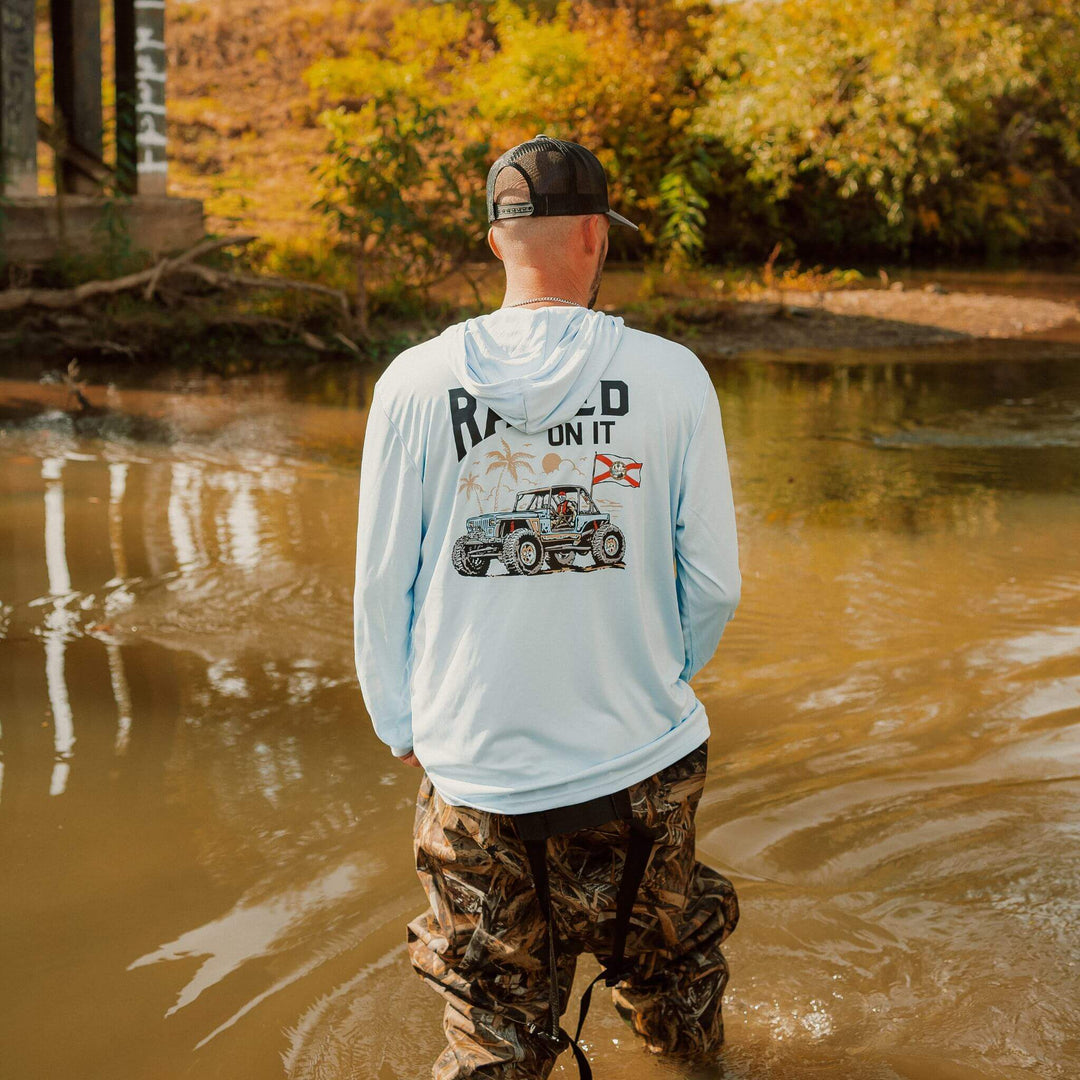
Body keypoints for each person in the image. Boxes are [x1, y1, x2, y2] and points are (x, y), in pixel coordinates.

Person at [353, 134, 742, 1079]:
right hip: (644, 769)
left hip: (480, 780)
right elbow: (716, 583)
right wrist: (655, 673)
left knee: (490, 1031)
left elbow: (379, 585)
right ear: (595, 239)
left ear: (497, 243)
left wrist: (402, 720)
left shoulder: (409, 383)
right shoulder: (673, 376)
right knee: (676, 996)